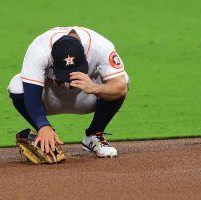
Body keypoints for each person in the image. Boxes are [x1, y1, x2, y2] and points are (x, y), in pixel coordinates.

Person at [7, 26, 129, 157]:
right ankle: (48, 139)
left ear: (85, 55)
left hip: (85, 95)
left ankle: (94, 134)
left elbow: (120, 87)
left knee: (121, 82)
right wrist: (43, 125)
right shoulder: (39, 49)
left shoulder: (100, 46)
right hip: (50, 96)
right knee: (17, 85)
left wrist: (95, 88)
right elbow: (31, 93)